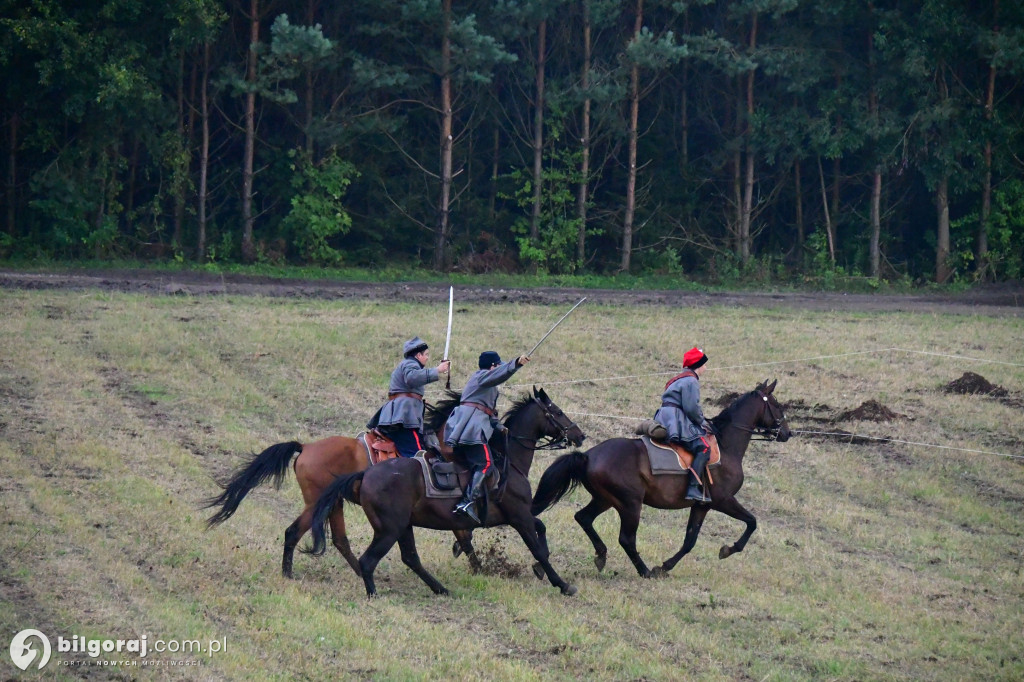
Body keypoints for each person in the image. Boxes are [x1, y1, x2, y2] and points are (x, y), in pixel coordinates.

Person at [444, 351, 530, 523]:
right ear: (492, 367)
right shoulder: (482, 376)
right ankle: (466, 502)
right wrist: (516, 363)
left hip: (473, 424)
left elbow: (487, 412)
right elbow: (499, 375)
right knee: (486, 463)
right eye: (498, 365)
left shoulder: (486, 385)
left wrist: (500, 427)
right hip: (472, 428)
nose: (499, 368)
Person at [370, 336, 450, 458]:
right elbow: (412, 378)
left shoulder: (409, 364)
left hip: (399, 416)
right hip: (404, 418)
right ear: (418, 355)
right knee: (417, 455)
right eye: (426, 354)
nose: (427, 358)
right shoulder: (410, 364)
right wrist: (437, 370)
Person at [653, 346, 712, 503]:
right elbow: (691, 408)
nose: (706, 367)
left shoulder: (679, 379)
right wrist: (703, 422)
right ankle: (693, 488)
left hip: (664, 416)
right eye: (704, 364)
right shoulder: (691, 381)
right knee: (704, 447)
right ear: (699, 365)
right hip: (676, 418)